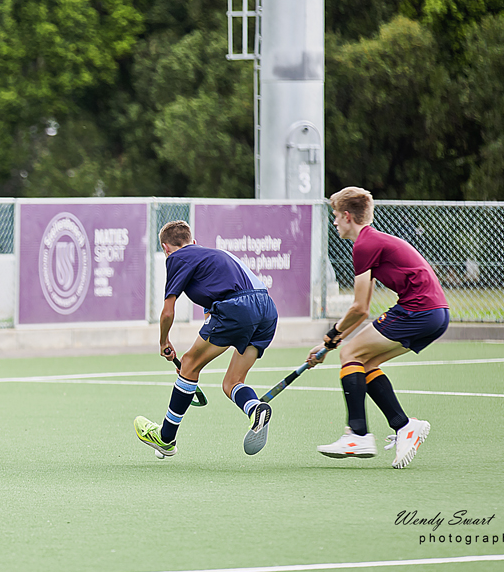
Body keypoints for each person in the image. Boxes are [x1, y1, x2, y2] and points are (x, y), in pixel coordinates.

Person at [307, 186, 449, 469]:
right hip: (435, 313)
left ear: (347, 216)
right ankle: (405, 426)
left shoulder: (364, 245)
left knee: (349, 354)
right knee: (365, 363)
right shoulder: (372, 242)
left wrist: (330, 339)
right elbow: (362, 308)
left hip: (418, 310)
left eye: (336, 216)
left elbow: (360, 308)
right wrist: (329, 342)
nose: (334, 222)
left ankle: (357, 434)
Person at [134, 220, 278, 458]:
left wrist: (164, 342)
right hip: (267, 310)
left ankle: (166, 438)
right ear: (193, 241)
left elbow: (168, 311)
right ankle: (256, 409)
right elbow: (212, 318)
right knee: (232, 382)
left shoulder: (177, 257)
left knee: (190, 364)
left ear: (165, 248)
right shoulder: (214, 257)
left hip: (238, 308)